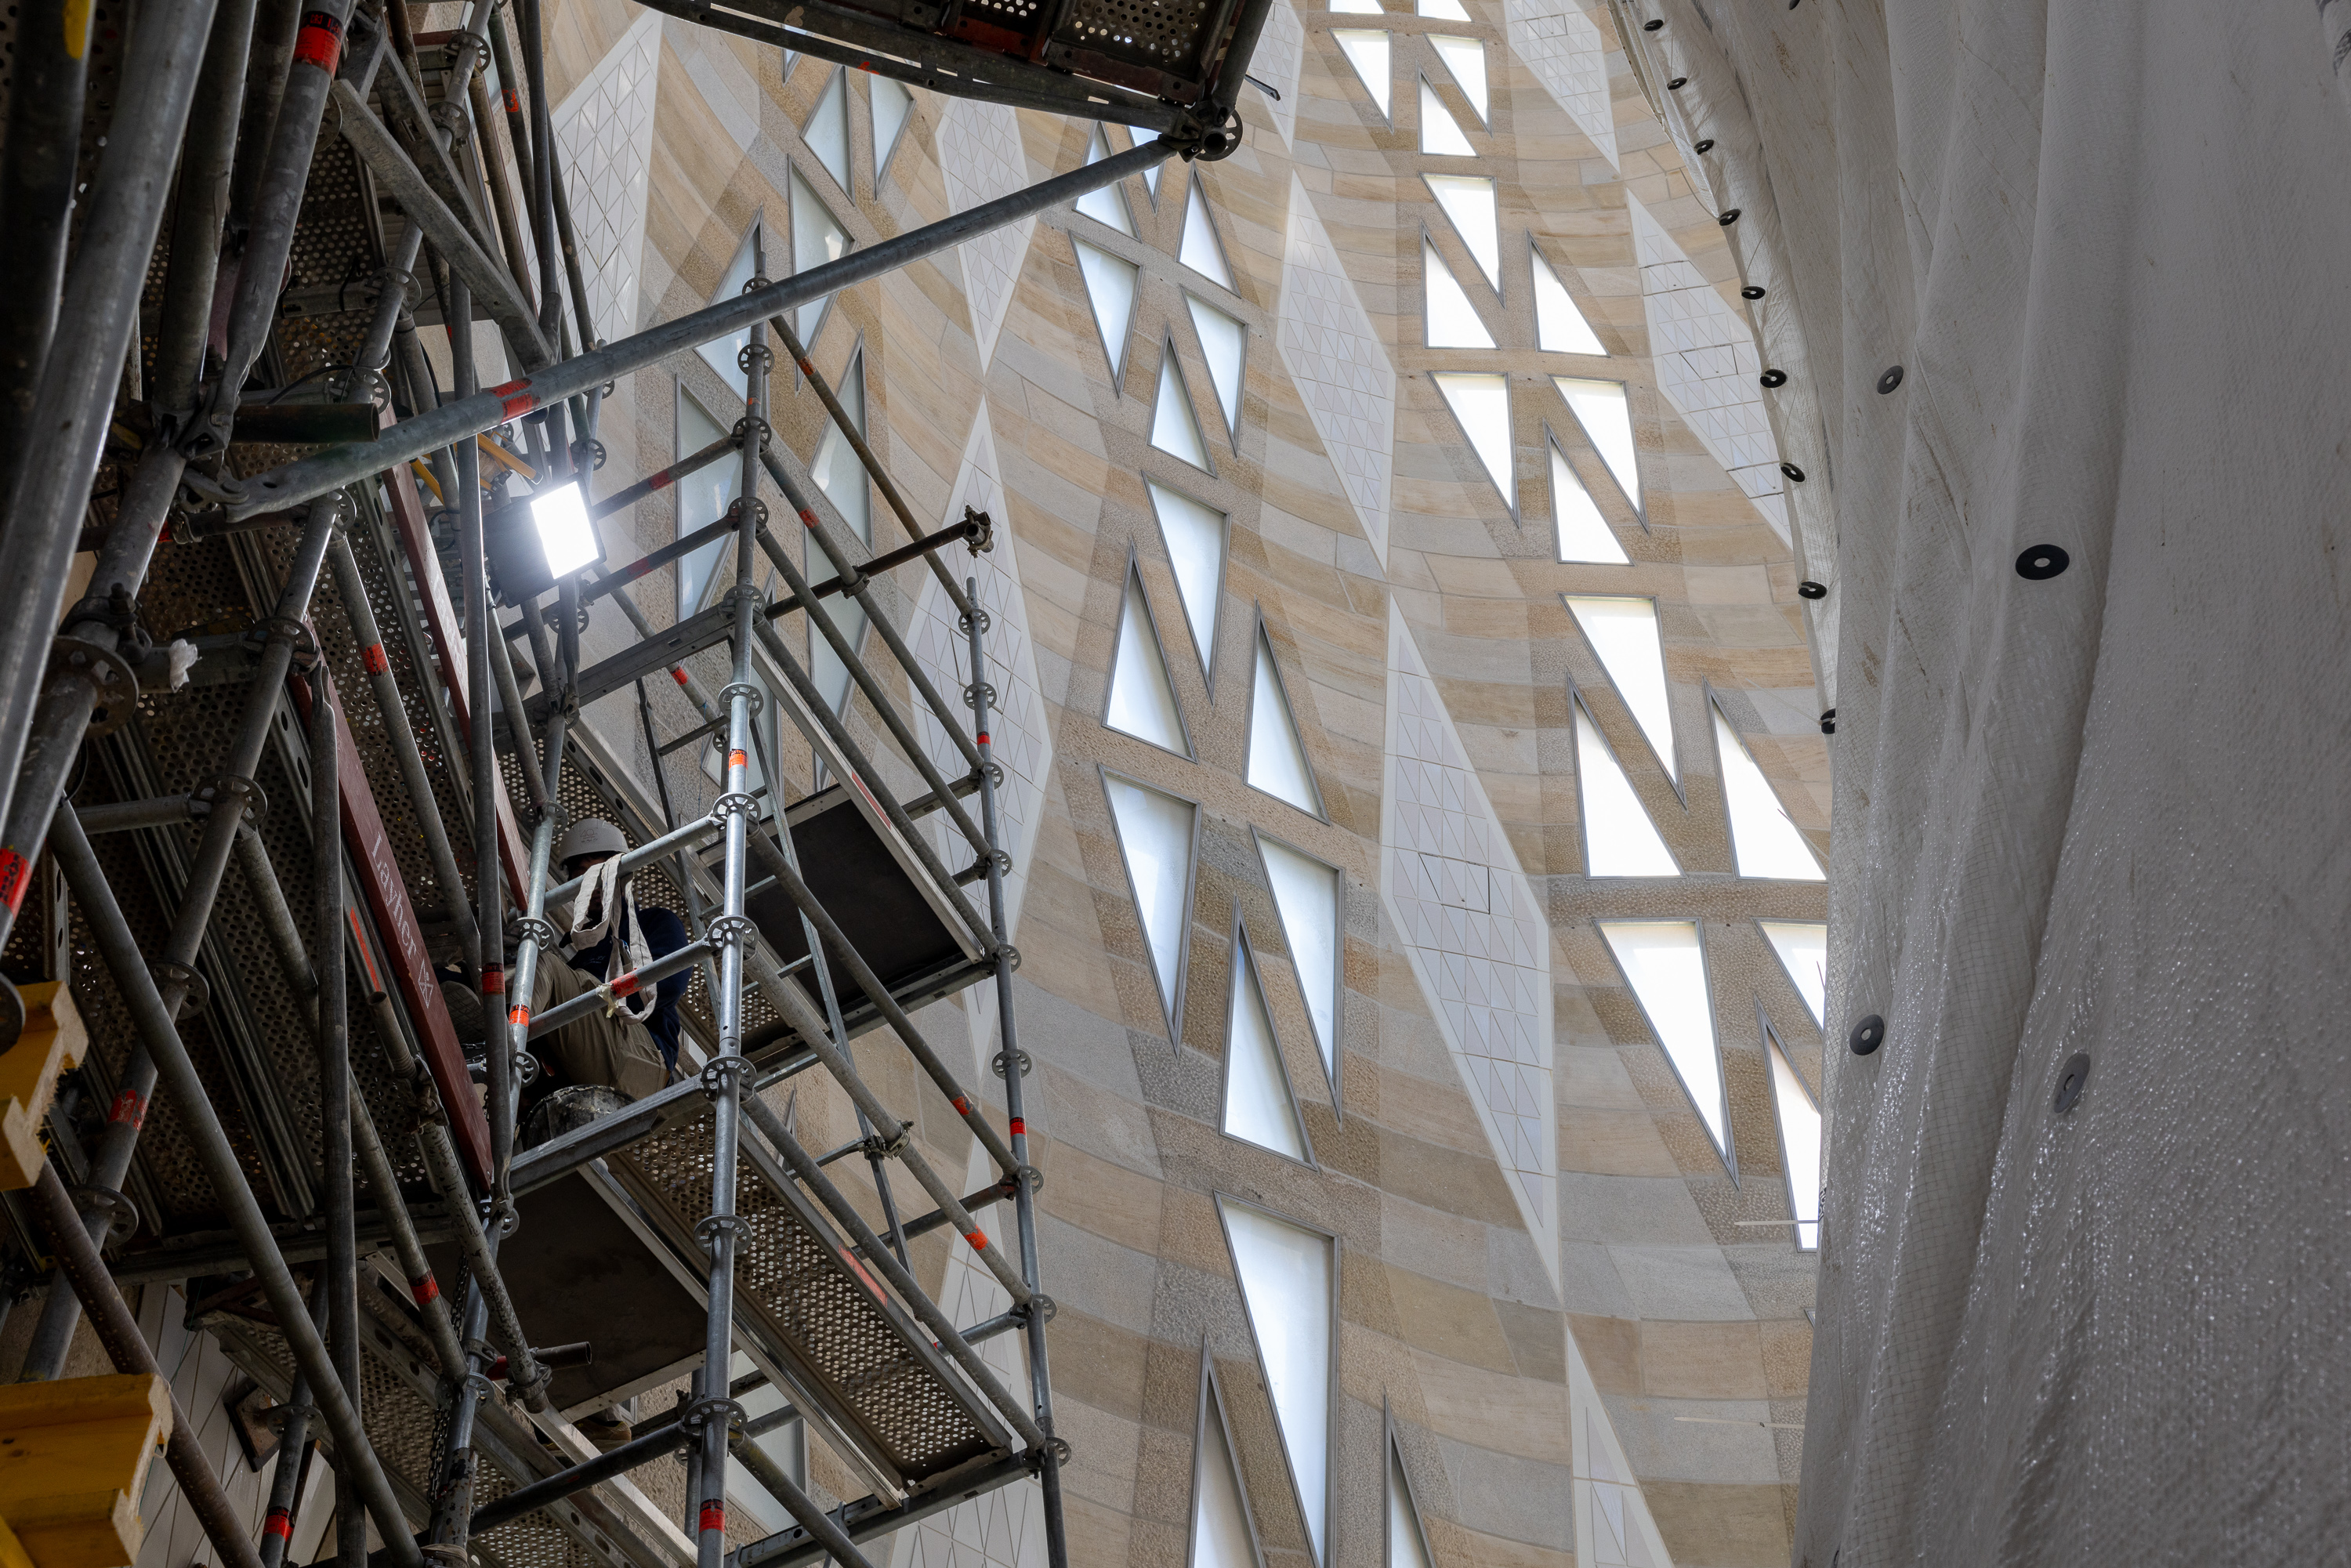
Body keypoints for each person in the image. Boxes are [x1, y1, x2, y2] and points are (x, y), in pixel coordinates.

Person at [524, 817, 692, 1100]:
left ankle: (507, 1040)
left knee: (538, 964)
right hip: (584, 1071)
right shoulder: (579, 957)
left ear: (623, 873)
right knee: (518, 975)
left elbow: (667, 985)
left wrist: (600, 996)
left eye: (601, 872)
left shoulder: (654, 924)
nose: (593, 884)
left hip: (642, 1059)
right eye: (581, 876)